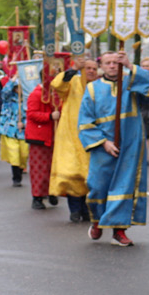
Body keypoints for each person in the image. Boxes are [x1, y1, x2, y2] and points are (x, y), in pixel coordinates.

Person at [78, 52, 149, 247]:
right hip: (102, 146)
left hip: (129, 143)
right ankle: (97, 221)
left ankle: (119, 231)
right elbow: (85, 121)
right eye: (108, 63)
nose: (113, 66)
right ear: (101, 66)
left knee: (124, 186)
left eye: (116, 62)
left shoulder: (131, 82)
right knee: (98, 186)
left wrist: (129, 65)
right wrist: (103, 142)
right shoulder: (92, 88)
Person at [50, 58, 99, 222]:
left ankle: (87, 209)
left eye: (94, 68)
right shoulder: (73, 81)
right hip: (71, 134)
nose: (91, 71)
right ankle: (74, 210)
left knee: (89, 174)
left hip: (93, 135)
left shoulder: (101, 86)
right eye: (88, 68)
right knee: (71, 172)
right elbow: (57, 85)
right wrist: (73, 69)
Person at [25, 75, 61, 210]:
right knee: (39, 168)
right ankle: (37, 197)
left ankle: (52, 192)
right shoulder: (36, 95)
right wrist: (49, 116)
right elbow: (31, 114)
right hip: (39, 137)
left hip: (54, 136)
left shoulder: (56, 95)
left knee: (52, 167)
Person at [0, 76, 29, 187]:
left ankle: (20, 169)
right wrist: (14, 77)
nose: (18, 90)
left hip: (24, 132)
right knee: (14, 152)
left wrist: (24, 124)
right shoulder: (8, 98)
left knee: (24, 154)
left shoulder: (28, 99)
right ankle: (16, 177)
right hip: (10, 130)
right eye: (16, 87)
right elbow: (4, 91)